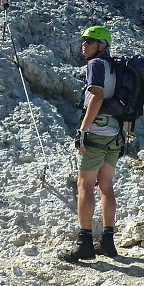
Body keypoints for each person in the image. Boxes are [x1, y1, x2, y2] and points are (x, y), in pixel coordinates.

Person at [59, 25, 122, 262]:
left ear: (102, 45)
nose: (83, 44)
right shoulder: (115, 67)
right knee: (106, 184)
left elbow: (95, 96)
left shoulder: (95, 65)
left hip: (96, 131)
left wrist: (83, 130)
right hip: (115, 133)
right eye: (83, 40)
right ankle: (108, 241)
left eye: (89, 41)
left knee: (84, 185)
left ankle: (84, 243)